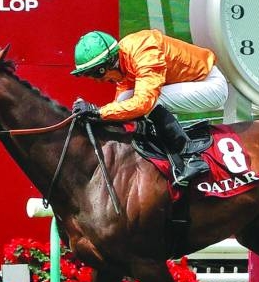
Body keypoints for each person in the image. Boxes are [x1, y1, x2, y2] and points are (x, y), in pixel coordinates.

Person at [70, 29, 228, 187]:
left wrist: (98, 111)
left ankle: (191, 158)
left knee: (153, 101)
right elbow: (121, 104)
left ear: (110, 63)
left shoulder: (144, 51)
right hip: (187, 84)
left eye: (97, 75)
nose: (99, 81)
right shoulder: (122, 60)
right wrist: (95, 116)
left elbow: (143, 103)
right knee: (125, 100)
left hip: (210, 85)